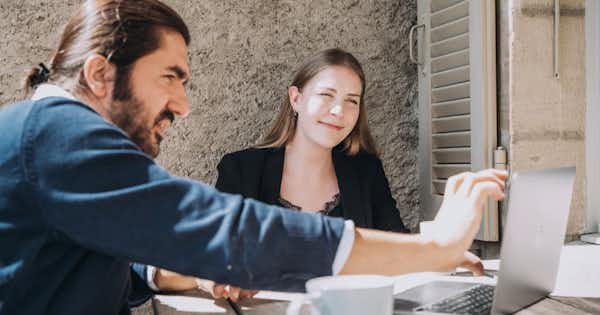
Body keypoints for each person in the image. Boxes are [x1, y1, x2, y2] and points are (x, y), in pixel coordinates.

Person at [0, 1, 507, 314]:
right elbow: (234, 231)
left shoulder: (48, 137)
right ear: (100, 74)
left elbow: (122, 268)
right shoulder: (59, 135)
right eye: (170, 77)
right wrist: (437, 245)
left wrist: (195, 270)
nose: (182, 104)